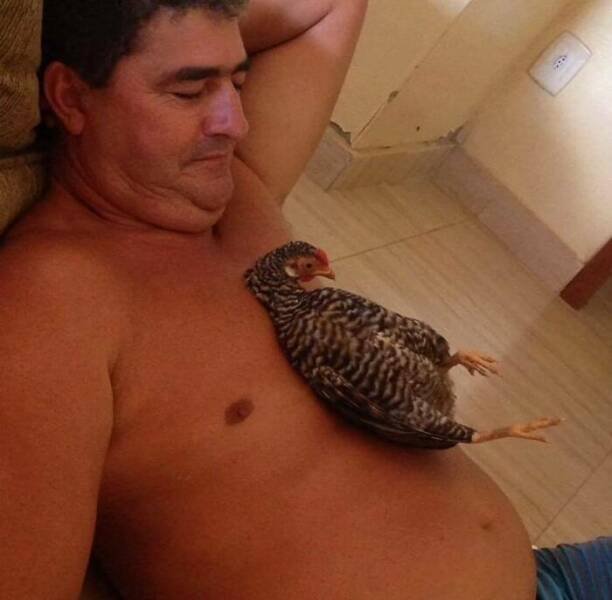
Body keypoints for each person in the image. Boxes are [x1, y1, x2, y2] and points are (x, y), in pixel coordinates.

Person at [0, 1, 608, 598]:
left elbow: (332, 6)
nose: (235, 123)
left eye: (237, 82)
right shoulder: (57, 304)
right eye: (189, 91)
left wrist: (170, 15)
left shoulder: (238, 195)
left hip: (554, 578)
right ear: (71, 98)